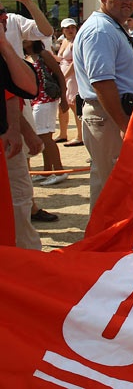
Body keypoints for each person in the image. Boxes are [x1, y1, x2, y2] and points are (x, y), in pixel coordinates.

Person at [73, 0, 133, 209]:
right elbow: (102, 82)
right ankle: (104, 242)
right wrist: (123, 123)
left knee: (113, 183)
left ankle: (106, 240)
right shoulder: (100, 31)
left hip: (112, 113)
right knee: (112, 186)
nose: (127, 1)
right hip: (109, 115)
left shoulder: (110, 27)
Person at [0, 21, 47, 247]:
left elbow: (26, 89)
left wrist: (24, 130)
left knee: (19, 196)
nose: (3, 21)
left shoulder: (4, 52)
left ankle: (27, 254)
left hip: (7, 139)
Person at [22, 40, 69, 186]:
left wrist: (64, 98)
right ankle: (47, 170)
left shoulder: (43, 54)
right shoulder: (29, 57)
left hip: (46, 99)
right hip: (37, 100)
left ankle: (59, 170)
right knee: (43, 136)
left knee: (46, 136)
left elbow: (59, 74)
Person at [55, 18, 82, 147]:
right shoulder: (64, 41)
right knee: (62, 105)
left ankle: (80, 135)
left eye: (72, 27)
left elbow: (74, 62)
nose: (70, 30)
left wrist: (64, 77)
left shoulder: (75, 42)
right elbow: (61, 59)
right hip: (64, 75)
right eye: (67, 28)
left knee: (74, 105)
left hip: (72, 77)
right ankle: (63, 133)